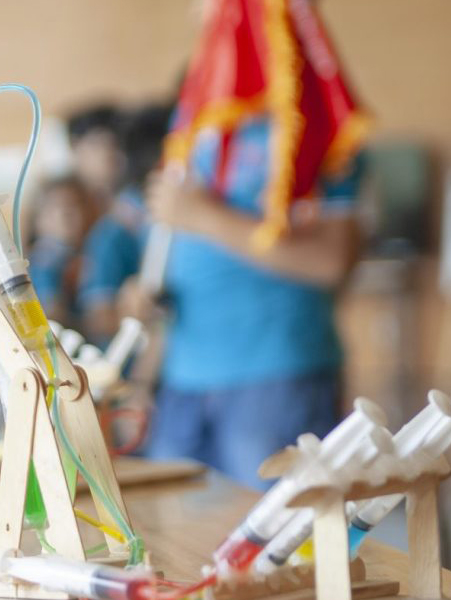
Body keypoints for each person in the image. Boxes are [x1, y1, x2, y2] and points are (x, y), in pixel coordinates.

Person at [135, 0, 368, 490]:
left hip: (274, 373)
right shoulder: (198, 116)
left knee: (275, 530)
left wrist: (203, 216)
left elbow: (331, 261)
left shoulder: (313, 119)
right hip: (183, 377)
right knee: (175, 529)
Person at [77, 103, 172, 344]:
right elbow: (99, 316)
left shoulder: (138, 216)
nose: (108, 155)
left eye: (112, 145)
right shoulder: (114, 231)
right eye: (97, 145)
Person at [27, 176, 96, 327]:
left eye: (74, 206)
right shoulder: (44, 258)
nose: (65, 214)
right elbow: (52, 313)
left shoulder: (83, 253)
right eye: (55, 208)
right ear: (39, 221)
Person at [66, 104, 125, 215]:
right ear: (75, 146)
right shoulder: (61, 201)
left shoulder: (132, 200)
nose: (107, 153)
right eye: (97, 143)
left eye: (115, 144)